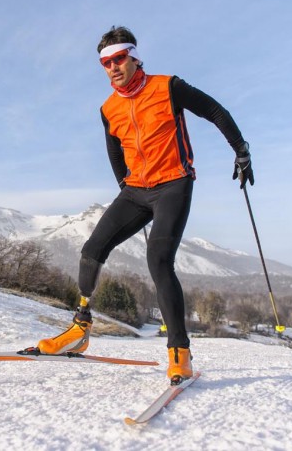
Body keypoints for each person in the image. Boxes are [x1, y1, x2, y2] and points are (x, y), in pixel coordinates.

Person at [36, 26, 254, 384]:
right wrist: (126, 184)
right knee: (92, 250)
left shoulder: (168, 87)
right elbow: (113, 150)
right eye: (106, 63)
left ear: (134, 58)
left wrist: (241, 151)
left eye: (119, 59)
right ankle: (80, 328)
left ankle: (179, 352)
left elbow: (214, 110)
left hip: (173, 184)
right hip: (136, 190)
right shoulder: (108, 108)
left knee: (158, 260)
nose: (113, 68)